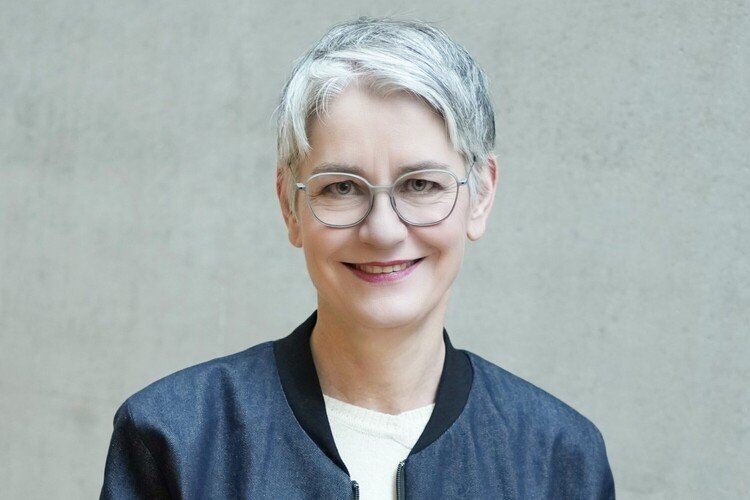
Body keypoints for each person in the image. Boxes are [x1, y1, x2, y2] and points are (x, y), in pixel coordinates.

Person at [100, 17, 614, 499]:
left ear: (480, 196)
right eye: (342, 187)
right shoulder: (173, 439)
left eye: (421, 184)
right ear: (290, 206)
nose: (383, 231)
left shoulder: (561, 460)